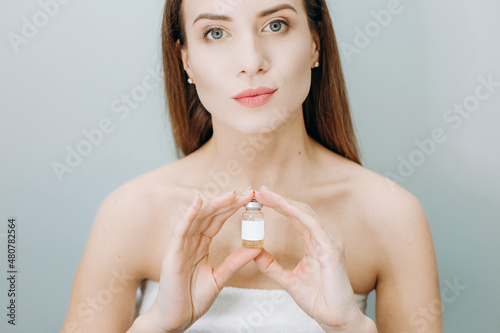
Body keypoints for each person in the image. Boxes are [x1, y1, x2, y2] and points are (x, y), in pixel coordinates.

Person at [62, 0, 442, 332]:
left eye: (276, 25)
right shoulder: (131, 212)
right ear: (186, 60)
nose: (250, 62)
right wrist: (160, 326)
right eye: (215, 32)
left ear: (315, 42)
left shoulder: (391, 215)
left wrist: (348, 329)